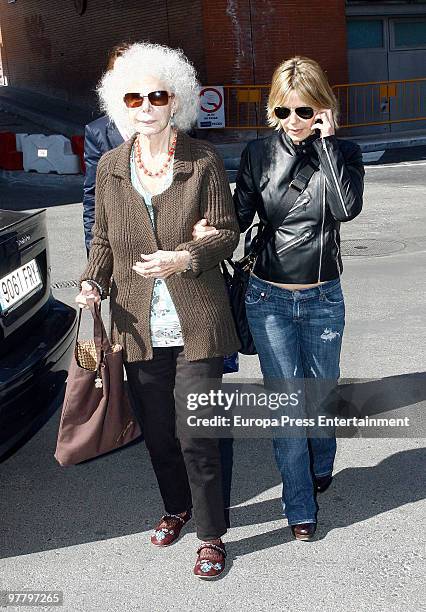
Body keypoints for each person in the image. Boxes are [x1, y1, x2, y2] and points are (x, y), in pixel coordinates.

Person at [75, 42, 240, 579]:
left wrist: (185, 255)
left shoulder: (203, 160)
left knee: (197, 432)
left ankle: (211, 535)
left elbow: (226, 235)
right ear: (120, 104)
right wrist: (91, 285)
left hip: (197, 319)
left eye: (157, 95)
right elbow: (102, 239)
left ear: (177, 100)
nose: (145, 105)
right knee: (161, 432)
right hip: (137, 323)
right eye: (134, 97)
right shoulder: (109, 166)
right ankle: (177, 508)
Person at [195, 56, 364, 540]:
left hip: (323, 298)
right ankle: (299, 506)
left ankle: (322, 456)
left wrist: (327, 145)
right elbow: (239, 215)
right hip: (267, 297)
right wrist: (210, 230)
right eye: (285, 111)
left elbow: (346, 208)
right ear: (273, 110)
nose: (295, 121)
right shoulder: (256, 154)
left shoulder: (345, 153)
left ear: (324, 110)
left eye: (306, 111)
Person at [82, 43, 131, 255]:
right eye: (119, 74)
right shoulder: (98, 132)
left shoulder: (168, 125)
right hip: (121, 241)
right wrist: (94, 253)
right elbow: (93, 197)